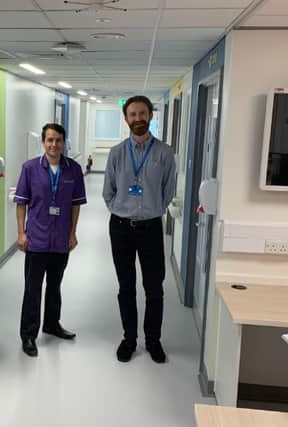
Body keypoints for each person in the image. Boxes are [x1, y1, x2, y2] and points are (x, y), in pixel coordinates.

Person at [102, 95, 176, 363]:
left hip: (151, 229)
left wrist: (149, 210)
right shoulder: (117, 153)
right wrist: (122, 210)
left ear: (150, 116)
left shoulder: (165, 153)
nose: (137, 119)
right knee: (126, 286)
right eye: (132, 114)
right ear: (126, 119)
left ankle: (153, 340)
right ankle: (129, 339)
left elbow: (168, 192)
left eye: (142, 113)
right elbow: (107, 192)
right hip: (120, 228)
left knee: (154, 288)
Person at [14, 123, 87, 357]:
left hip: (60, 240)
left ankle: (52, 324)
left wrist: (73, 233)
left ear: (63, 142)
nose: (54, 144)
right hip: (37, 238)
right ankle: (28, 335)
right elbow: (21, 203)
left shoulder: (73, 169)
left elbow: (75, 205)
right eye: (49, 140)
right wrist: (21, 233)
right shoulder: (30, 168)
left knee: (55, 286)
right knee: (32, 288)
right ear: (43, 142)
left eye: (58, 140)